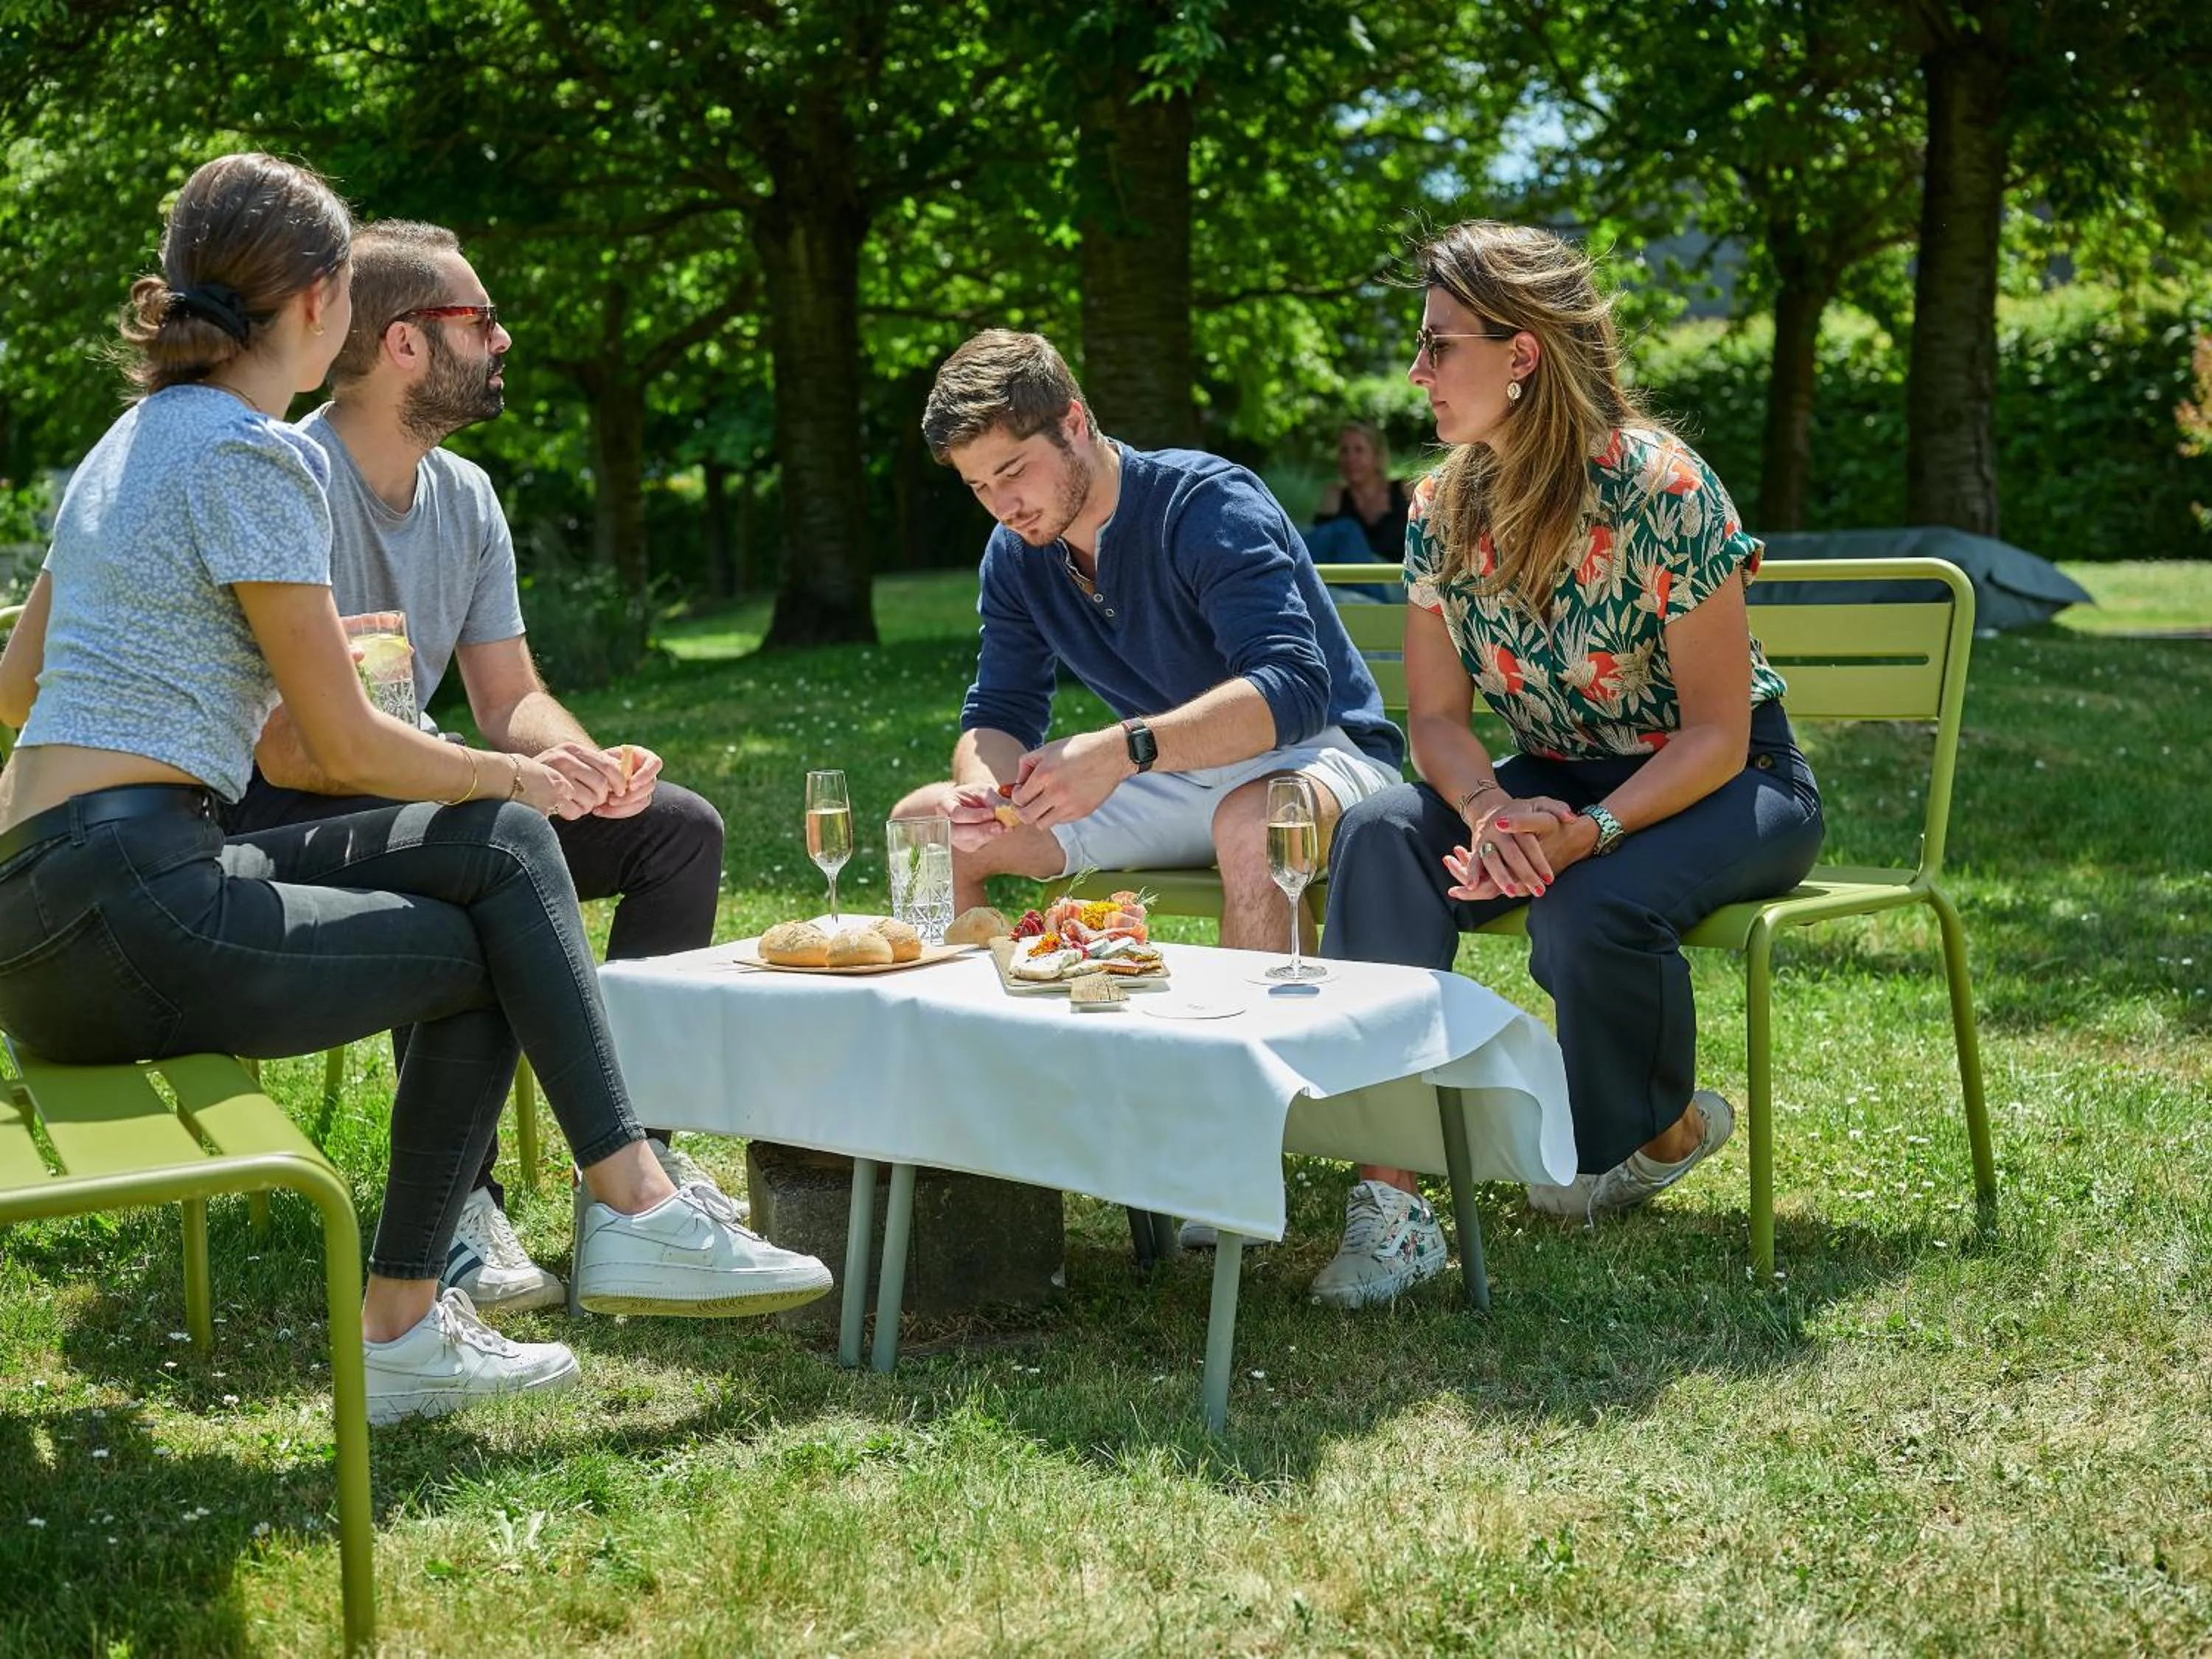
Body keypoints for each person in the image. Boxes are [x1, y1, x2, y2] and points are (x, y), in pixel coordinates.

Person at [0, 154, 830, 1425]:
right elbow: (336, 744)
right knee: (494, 887)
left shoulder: (128, 444)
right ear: (327, 304)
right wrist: (513, 773)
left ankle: (537, 1252)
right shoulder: (255, 455)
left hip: (35, 921)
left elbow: (16, 689)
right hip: (136, 906)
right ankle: (596, 1225)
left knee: (492, 881)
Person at [223, 219, 733, 1315]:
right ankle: (461, 1204)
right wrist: (467, 772)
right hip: (281, 816)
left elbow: (509, 699)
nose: (503, 339)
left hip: (427, 784)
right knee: (462, 854)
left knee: (677, 828)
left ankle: (635, 1170)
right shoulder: (284, 481)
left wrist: (580, 761)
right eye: (481, 319)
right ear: (405, 342)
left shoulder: (467, 497)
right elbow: (284, 744)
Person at [1314, 220, 1826, 1308]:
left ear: (1523, 354)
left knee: (1584, 907)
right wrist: (1495, 809)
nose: (1417, 371)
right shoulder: (1441, 508)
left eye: (1438, 343)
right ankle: (1392, 1201)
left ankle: (1663, 1126)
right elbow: (1440, 721)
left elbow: (1718, 734)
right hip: (1546, 776)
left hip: (1734, 784)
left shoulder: (1664, 490)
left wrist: (1586, 832)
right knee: (1378, 834)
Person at [888, 329, 1405, 973]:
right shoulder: (1016, 556)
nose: (1003, 507)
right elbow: (1000, 709)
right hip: (1166, 772)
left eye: (1013, 471)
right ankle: (973, 1058)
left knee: (1255, 830)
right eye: (978, 487)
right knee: (930, 828)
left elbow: (1295, 687)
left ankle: (1252, 1069)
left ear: (1073, 423)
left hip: (1317, 753)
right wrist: (982, 797)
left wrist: (1121, 750)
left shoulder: (1205, 505)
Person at [1310, 420, 1412, 561]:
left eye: (1359, 450)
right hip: (1350, 580)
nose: (1350, 459)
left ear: (1376, 456)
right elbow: (1319, 549)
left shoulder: (1404, 491)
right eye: (1344, 451)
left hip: (1397, 578)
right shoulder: (1336, 497)